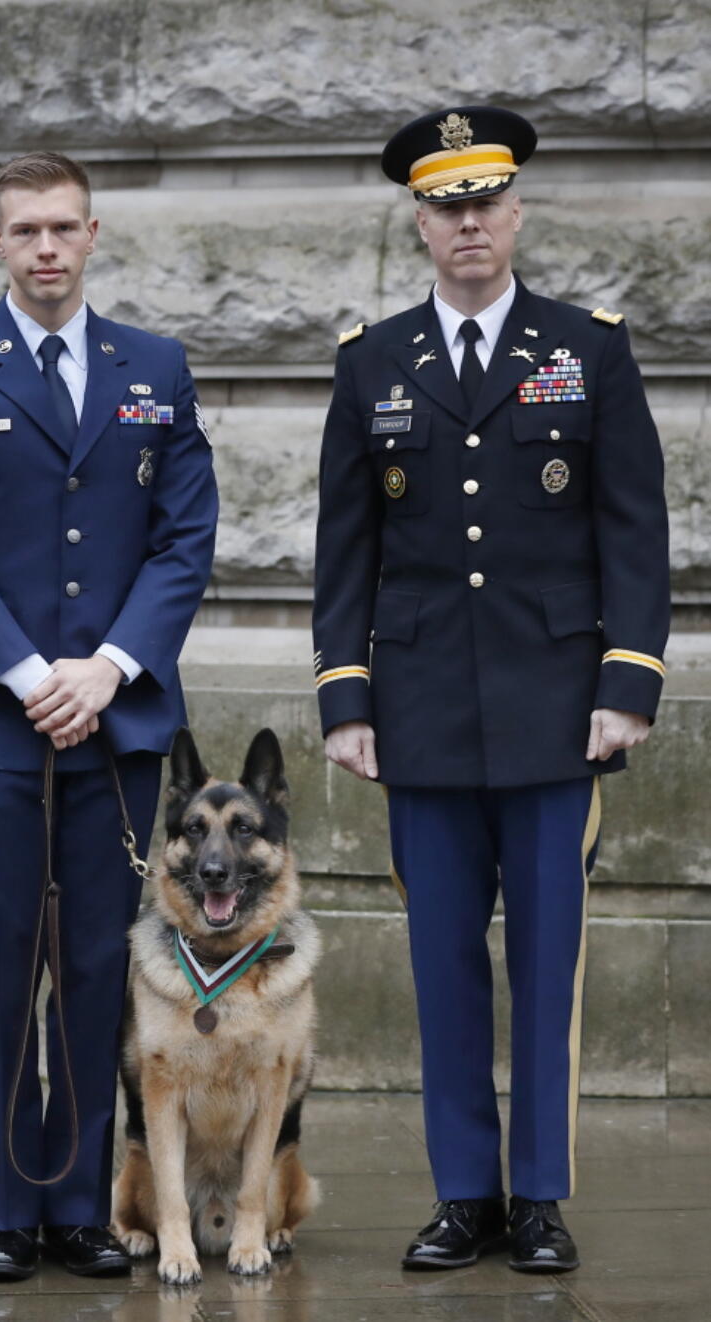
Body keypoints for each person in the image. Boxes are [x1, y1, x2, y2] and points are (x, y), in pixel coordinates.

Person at [312, 106, 669, 1275]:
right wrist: (345, 697)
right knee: (442, 962)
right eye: (444, 206)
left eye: (485, 202)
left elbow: (631, 529)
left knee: (546, 962)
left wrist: (627, 684)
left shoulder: (587, 348)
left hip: (559, 711)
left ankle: (540, 1195)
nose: (467, 223)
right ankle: (462, 1192)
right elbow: (344, 548)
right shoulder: (370, 361)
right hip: (418, 714)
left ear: (514, 213)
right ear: (419, 223)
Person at [0, 151, 218, 1282]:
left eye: (62, 228)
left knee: (90, 972)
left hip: (114, 728)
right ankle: (2, 1206)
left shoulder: (153, 367)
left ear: (90, 234)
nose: (44, 248)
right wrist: (31, 675)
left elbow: (184, 537)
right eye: (23, 230)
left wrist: (110, 666)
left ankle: (76, 1204)